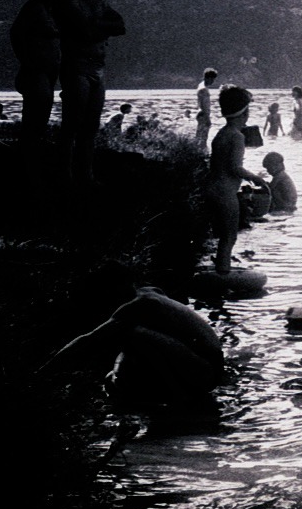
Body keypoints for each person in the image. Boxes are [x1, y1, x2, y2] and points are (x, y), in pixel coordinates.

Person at [42, 269, 225, 411]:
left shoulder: (138, 306)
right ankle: (160, 393)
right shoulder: (151, 292)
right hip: (205, 367)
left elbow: (87, 340)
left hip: (205, 371)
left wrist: (44, 371)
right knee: (117, 372)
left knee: (132, 334)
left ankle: (181, 398)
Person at [53, 0, 127, 189]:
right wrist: (99, 25)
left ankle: (85, 175)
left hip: (97, 67)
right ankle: (64, 175)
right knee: (72, 123)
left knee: (91, 125)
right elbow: (86, 32)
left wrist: (95, 24)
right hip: (76, 66)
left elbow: (120, 25)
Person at [197, 86, 269, 273]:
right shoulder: (237, 137)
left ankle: (219, 267)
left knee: (219, 235)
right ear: (244, 113)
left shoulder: (221, 133)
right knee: (229, 237)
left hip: (210, 188)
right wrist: (256, 178)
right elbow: (235, 167)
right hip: (225, 193)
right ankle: (223, 272)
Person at [10, 0, 67, 146]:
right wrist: (29, 61)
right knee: (34, 120)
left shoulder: (54, 7)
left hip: (49, 70)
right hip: (36, 71)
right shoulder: (34, 7)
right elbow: (16, 34)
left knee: (40, 120)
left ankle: (32, 155)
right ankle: (27, 159)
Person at [194, 68, 219, 151]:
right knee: (203, 137)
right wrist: (207, 119)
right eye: (213, 79)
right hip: (203, 115)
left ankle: (198, 150)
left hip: (200, 114)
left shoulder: (201, 85)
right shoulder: (203, 89)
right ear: (209, 78)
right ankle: (201, 151)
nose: (213, 81)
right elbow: (204, 105)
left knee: (199, 136)